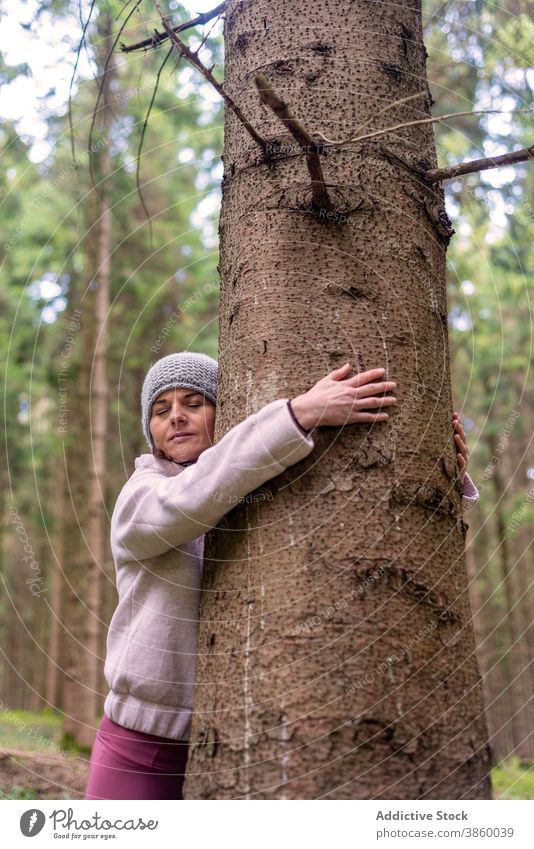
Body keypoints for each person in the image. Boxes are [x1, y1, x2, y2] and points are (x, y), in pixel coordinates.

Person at [84, 352, 478, 800]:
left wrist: (441, 473)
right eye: (161, 410)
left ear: (224, 409)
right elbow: (191, 498)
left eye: (194, 403)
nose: (176, 417)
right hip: (142, 739)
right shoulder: (140, 499)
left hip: (242, 740)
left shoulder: (248, 484)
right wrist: (300, 414)